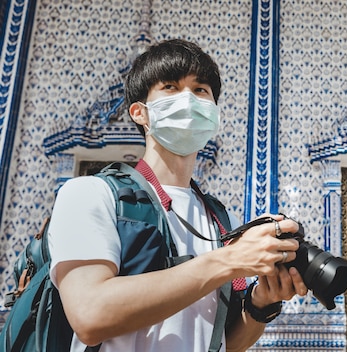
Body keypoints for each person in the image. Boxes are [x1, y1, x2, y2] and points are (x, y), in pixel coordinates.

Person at [47, 38, 308, 352]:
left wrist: (260, 304)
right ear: (139, 112)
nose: (188, 99)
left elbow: (228, 343)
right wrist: (227, 261)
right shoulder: (89, 194)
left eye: (200, 90)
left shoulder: (221, 222)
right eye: (170, 87)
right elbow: (90, 316)